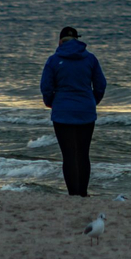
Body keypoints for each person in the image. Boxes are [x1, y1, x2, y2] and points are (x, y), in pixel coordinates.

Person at [40, 26, 106, 196]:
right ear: (77, 39)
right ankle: (83, 193)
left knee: (69, 155)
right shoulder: (90, 59)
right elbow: (100, 85)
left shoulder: (54, 60)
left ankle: (73, 194)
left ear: (60, 41)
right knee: (83, 154)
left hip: (62, 112)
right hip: (85, 111)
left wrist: (51, 103)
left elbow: (46, 87)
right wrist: (92, 101)